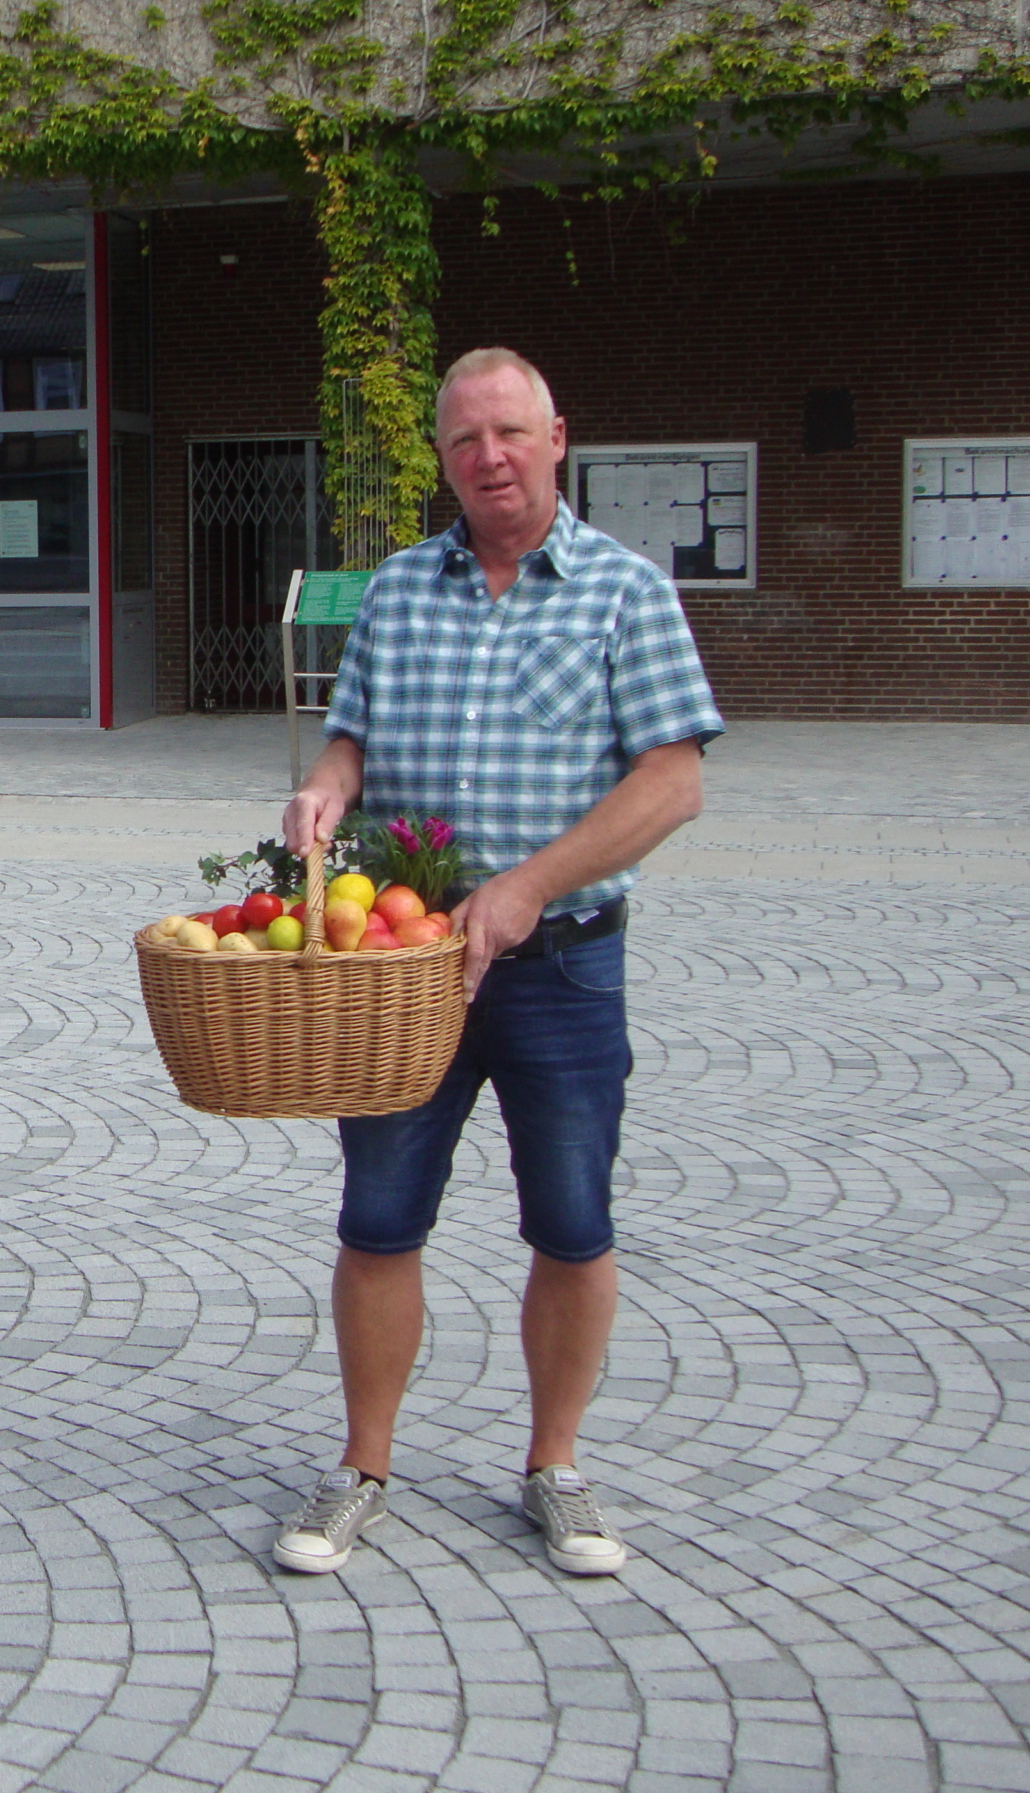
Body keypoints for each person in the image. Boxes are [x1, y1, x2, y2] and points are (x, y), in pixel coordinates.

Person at [270, 348, 724, 1579]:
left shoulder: (625, 592)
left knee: (572, 1226)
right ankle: (362, 1466)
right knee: (377, 1220)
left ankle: (555, 1467)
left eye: (511, 432)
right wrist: (322, 786)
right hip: (404, 970)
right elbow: (351, 739)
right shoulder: (398, 593)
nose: (490, 457)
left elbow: (672, 779)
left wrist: (528, 886)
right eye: (466, 440)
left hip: (561, 968)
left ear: (557, 436)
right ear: (442, 457)